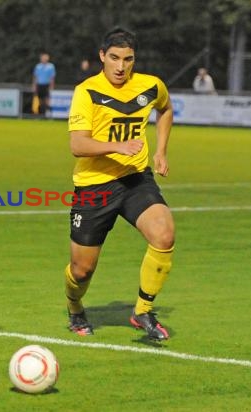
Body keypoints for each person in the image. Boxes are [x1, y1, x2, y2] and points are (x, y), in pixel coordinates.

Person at [65, 27, 175, 341]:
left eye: (128, 59)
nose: (120, 66)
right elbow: (78, 145)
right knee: (81, 270)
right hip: (94, 186)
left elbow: (165, 109)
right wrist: (118, 147)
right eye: (114, 58)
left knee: (164, 233)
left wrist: (161, 150)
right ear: (102, 56)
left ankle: (142, 311)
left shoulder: (150, 86)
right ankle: (74, 306)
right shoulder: (88, 91)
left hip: (135, 180)